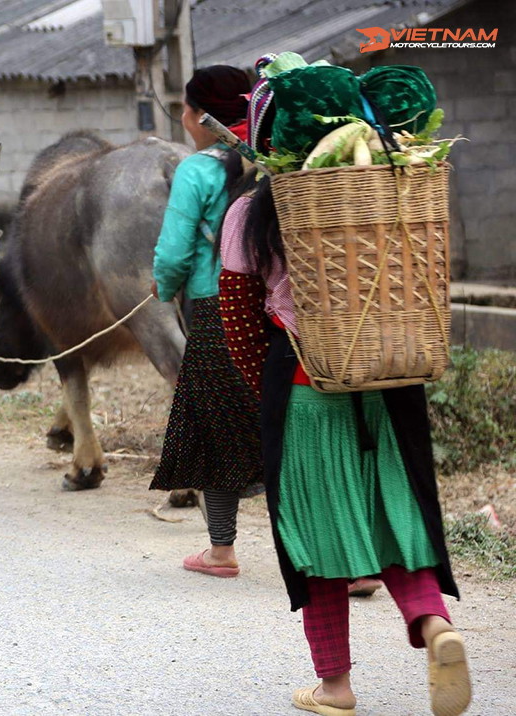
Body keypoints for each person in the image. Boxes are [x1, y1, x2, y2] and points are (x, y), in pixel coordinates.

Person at [219, 57, 471, 716]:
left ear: (268, 137)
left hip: (305, 385)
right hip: (391, 382)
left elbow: (241, 325)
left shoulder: (252, 212)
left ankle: (335, 685)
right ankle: (433, 622)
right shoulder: (394, 188)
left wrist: (267, 400)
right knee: (395, 516)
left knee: (317, 542)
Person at [149, 65, 263, 578]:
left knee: (214, 426)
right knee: (284, 426)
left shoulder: (198, 170)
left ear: (199, 115)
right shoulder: (276, 162)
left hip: (217, 310)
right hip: (280, 310)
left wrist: (163, 286)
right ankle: (343, 560)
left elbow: (174, 251)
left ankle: (221, 550)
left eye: (186, 107)